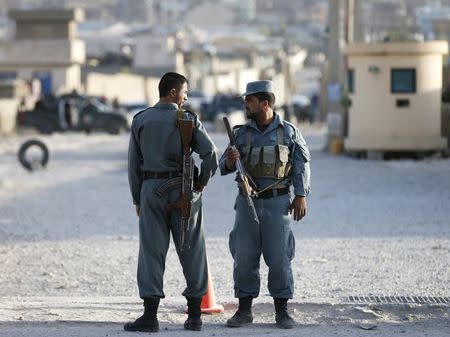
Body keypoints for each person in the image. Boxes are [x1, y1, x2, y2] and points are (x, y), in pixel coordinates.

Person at [126, 72, 218, 332]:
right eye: (185, 92)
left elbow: (134, 164)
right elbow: (210, 154)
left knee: (152, 251)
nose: (186, 97)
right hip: (184, 189)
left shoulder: (141, 120)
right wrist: (200, 183)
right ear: (173, 93)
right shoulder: (187, 119)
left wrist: (137, 197)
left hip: (151, 189)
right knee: (191, 249)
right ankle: (195, 317)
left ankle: (150, 316)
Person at [219, 80, 311, 329]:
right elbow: (223, 167)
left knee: (280, 257)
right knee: (244, 256)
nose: (246, 104)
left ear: (265, 103)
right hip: (247, 204)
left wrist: (301, 195)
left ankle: (282, 311)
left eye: (250, 100)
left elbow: (302, 163)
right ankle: (244, 310)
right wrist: (229, 160)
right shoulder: (240, 133)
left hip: (278, 204)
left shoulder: (289, 132)